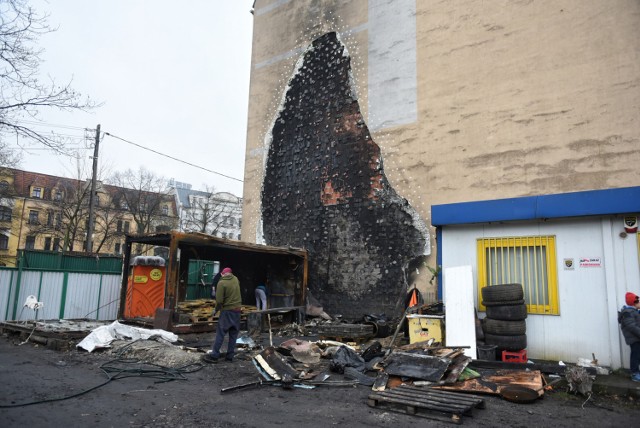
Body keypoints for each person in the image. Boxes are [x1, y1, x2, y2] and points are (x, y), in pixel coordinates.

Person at [204, 267, 242, 363]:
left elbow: (219, 301)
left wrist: (216, 310)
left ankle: (214, 356)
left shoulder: (221, 283)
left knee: (220, 334)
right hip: (237, 311)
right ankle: (229, 356)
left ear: (222, 274)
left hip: (227, 311)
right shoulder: (236, 279)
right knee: (233, 334)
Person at [618, 292, 640, 382]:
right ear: (634, 303)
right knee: (635, 355)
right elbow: (631, 326)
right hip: (634, 338)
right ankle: (634, 373)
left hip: (637, 337)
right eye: (639, 301)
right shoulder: (627, 313)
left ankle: (636, 372)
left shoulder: (634, 311)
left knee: (638, 355)